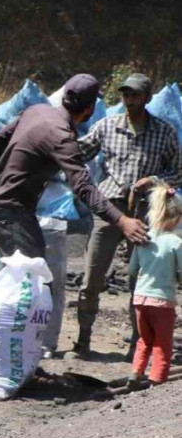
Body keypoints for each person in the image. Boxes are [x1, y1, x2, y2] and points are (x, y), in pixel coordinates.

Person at [0, 73, 148, 262]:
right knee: (31, 280)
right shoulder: (62, 137)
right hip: (11, 214)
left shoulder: (37, 110)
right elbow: (84, 187)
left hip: (3, 207)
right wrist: (122, 221)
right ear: (90, 108)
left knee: (24, 277)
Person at [74, 73, 182, 355]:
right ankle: (83, 339)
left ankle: (139, 344)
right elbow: (77, 152)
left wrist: (154, 180)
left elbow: (178, 172)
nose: (129, 100)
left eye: (134, 95)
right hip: (110, 209)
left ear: (146, 98)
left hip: (147, 212)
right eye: (125, 95)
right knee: (92, 277)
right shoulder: (106, 126)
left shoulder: (164, 131)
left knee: (143, 282)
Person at [127, 185, 182, 388]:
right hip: (163, 301)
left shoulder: (142, 239)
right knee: (162, 343)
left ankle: (136, 372)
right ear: (176, 218)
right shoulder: (176, 242)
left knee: (144, 339)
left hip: (140, 299)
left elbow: (132, 269)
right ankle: (157, 380)